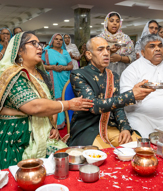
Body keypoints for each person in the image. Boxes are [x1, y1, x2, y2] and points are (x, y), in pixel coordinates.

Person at [0, 32, 93, 169]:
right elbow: (33, 106)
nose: (40, 48)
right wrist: (68, 104)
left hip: (45, 132)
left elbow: (50, 101)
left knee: (69, 161)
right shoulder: (12, 74)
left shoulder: (41, 74)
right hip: (18, 135)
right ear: (19, 50)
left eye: (40, 44)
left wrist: (53, 126)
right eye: (34, 43)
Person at [67, 37, 154, 148]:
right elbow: (94, 106)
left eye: (108, 49)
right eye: (100, 49)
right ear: (89, 55)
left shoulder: (113, 76)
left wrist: (125, 128)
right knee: (106, 156)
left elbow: (118, 107)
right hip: (87, 127)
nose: (106, 53)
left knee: (139, 146)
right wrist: (130, 95)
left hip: (110, 125)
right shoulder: (79, 74)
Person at [120, 34, 163, 138]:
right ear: (143, 52)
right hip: (144, 119)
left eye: (160, 46)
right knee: (141, 134)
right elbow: (124, 100)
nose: (157, 49)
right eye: (152, 46)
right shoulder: (131, 70)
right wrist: (136, 95)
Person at [42, 33, 73, 129]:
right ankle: (57, 122)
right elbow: (40, 65)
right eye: (56, 39)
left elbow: (71, 66)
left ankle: (67, 120)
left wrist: (63, 67)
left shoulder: (65, 52)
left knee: (65, 97)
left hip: (64, 78)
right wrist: (51, 67)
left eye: (60, 39)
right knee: (55, 99)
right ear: (52, 41)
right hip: (52, 79)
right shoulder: (46, 52)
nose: (59, 41)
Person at [98, 11, 136, 76]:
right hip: (104, 74)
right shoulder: (100, 39)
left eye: (117, 21)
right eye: (111, 21)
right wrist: (109, 52)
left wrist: (120, 58)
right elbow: (94, 57)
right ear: (106, 22)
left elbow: (134, 57)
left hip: (124, 74)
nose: (115, 23)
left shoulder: (126, 38)